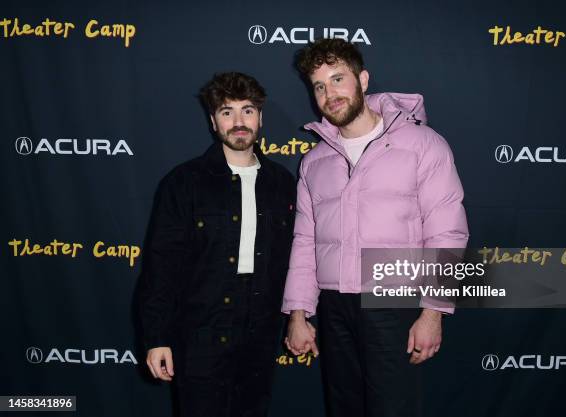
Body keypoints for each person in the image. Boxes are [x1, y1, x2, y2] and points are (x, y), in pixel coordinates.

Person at [282, 39, 469, 417]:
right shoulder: (314, 161)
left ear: (363, 80)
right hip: (334, 306)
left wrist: (433, 312)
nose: (329, 93)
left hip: (394, 299)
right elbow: (305, 241)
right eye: (319, 86)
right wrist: (299, 312)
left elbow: (447, 233)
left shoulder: (423, 145)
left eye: (338, 79)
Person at [137, 72, 296, 417]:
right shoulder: (182, 183)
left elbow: (297, 260)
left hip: (260, 335)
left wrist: (300, 316)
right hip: (199, 336)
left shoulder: (282, 184)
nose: (239, 122)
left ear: (260, 117)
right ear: (213, 121)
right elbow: (161, 267)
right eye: (227, 112)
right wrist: (156, 337)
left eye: (248, 110)